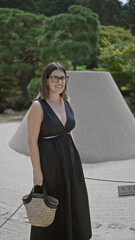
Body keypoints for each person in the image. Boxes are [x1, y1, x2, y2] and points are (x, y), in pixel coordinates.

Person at [27, 62, 92, 240]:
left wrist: (75, 158)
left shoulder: (66, 101)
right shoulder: (38, 106)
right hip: (50, 162)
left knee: (73, 200)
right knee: (52, 204)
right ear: (46, 80)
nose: (59, 81)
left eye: (62, 78)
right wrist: (37, 171)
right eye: (55, 77)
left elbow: (68, 132)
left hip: (70, 160)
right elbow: (32, 140)